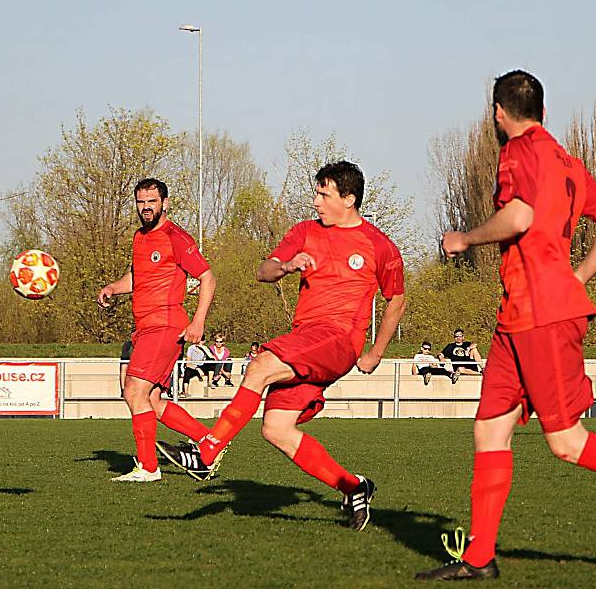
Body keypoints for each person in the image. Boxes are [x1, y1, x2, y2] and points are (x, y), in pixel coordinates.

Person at [416, 71, 596, 581]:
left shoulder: (518, 150)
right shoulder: (567, 160)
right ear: (544, 111)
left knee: (566, 442)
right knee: (489, 429)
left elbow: (520, 216)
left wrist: (464, 238)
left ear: (498, 113)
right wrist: (576, 276)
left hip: (542, 316)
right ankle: (480, 557)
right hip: (520, 317)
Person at [158, 161, 405, 532]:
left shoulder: (379, 245)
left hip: (339, 338)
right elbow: (264, 270)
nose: (317, 201)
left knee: (259, 366)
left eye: (325, 194)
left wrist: (375, 352)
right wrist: (287, 265)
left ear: (349, 199)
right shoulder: (305, 232)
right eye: (317, 192)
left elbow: (397, 300)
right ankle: (354, 487)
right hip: (307, 337)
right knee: (276, 428)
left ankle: (207, 452)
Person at [97, 178, 217, 482]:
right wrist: (113, 287)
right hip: (146, 328)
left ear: (165, 203)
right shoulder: (140, 237)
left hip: (165, 326)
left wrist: (198, 321)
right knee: (150, 400)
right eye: (141, 202)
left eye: (152, 201)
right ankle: (208, 440)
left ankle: (148, 467)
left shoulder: (175, 236)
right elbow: (139, 278)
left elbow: (207, 277)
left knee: (133, 390)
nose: (146, 207)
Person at [119, 327, 134, 398]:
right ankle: (123, 390)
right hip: (131, 362)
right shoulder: (127, 345)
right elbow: (125, 359)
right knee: (124, 366)